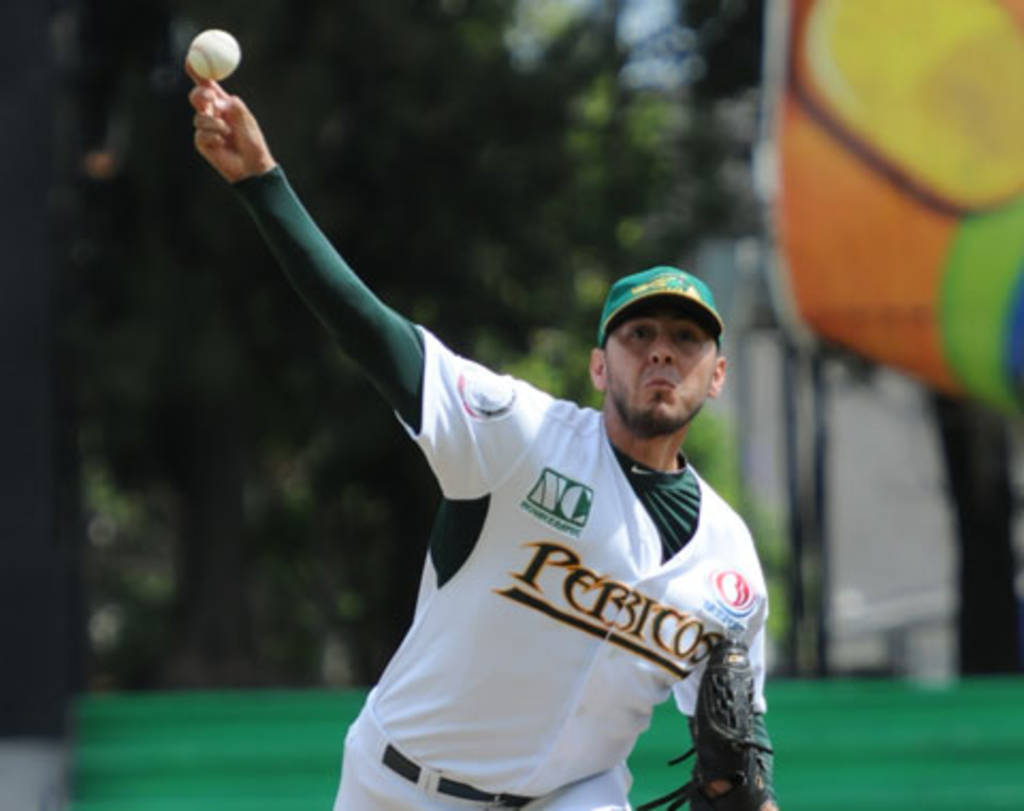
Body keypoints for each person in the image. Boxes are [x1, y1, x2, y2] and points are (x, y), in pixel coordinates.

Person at [188, 68, 779, 811]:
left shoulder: (730, 566)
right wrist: (264, 184)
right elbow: (376, 337)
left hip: (573, 795)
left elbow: (738, 756)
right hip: (402, 786)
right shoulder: (520, 439)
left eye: (687, 338)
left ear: (717, 374)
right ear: (600, 363)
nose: (662, 351)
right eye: (639, 333)